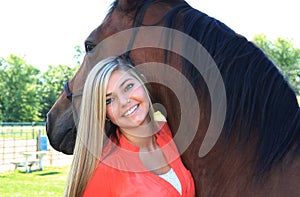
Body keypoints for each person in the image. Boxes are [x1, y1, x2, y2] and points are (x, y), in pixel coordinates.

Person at [64, 56, 195, 197]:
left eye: (128, 86)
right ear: (104, 112)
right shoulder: (105, 168)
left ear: (143, 82)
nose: (124, 101)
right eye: (109, 100)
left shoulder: (168, 131)